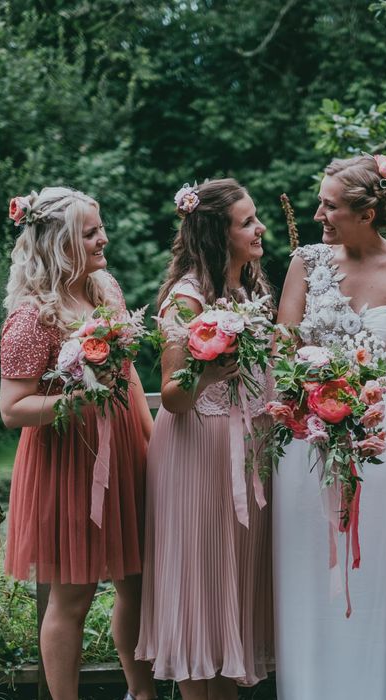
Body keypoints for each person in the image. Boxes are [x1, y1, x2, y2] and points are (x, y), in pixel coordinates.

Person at [273, 154, 386, 700]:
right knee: (308, 563)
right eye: (320, 202)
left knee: (377, 570)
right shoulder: (306, 261)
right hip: (306, 431)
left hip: (381, 436)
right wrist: (308, 396)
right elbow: (282, 347)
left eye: (331, 205)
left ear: (367, 212)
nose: (319, 212)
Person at [0, 187, 155, 700]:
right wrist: (76, 405)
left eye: (100, 227)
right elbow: (12, 409)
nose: (103, 238)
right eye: (91, 233)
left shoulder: (105, 289)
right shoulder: (31, 316)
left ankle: (142, 693)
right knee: (72, 597)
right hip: (67, 463)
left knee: (137, 582)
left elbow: (126, 375)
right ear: (62, 243)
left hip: (126, 450)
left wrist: (150, 443)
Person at [135, 179, 274, 700]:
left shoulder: (249, 290)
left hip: (250, 450)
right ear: (219, 232)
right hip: (199, 450)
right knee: (201, 588)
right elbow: (172, 394)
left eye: (256, 218)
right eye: (247, 222)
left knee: (233, 587)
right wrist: (213, 374)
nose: (259, 229)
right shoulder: (186, 298)